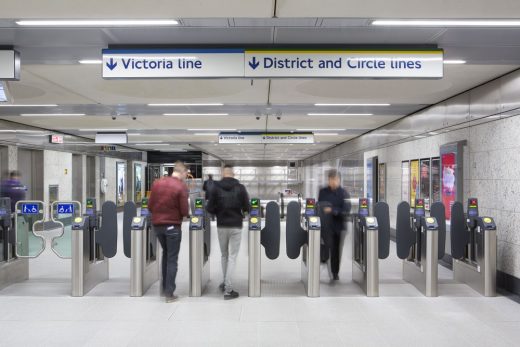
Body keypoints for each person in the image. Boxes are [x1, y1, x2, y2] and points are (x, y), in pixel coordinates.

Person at [206, 165, 249, 300]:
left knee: (224, 255)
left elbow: (209, 208)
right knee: (232, 257)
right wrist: (242, 213)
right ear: (233, 173)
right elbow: (247, 207)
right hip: (236, 225)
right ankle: (228, 290)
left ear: (223, 173)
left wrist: (218, 212)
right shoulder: (240, 188)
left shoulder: (215, 188)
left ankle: (225, 282)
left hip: (221, 225)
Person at [148, 161, 189, 303]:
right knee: (172, 259)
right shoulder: (180, 186)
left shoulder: (157, 183)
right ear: (182, 172)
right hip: (173, 227)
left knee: (166, 255)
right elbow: (184, 210)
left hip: (158, 226)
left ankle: (164, 287)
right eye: (186, 174)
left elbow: (150, 205)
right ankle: (169, 293)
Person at [318, 169, 351, 281]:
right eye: (332, 179)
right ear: (328, 180)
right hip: (325, 226)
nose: (334, 182)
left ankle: (335, 272)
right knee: (325, 248)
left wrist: (332, 210)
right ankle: (324, 259)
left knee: (336, 250)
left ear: (339, 180)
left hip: (338, 226)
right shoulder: (323, 192)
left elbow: (346, 210)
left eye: (336, 180)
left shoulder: (344, 193)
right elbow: (319, 207)